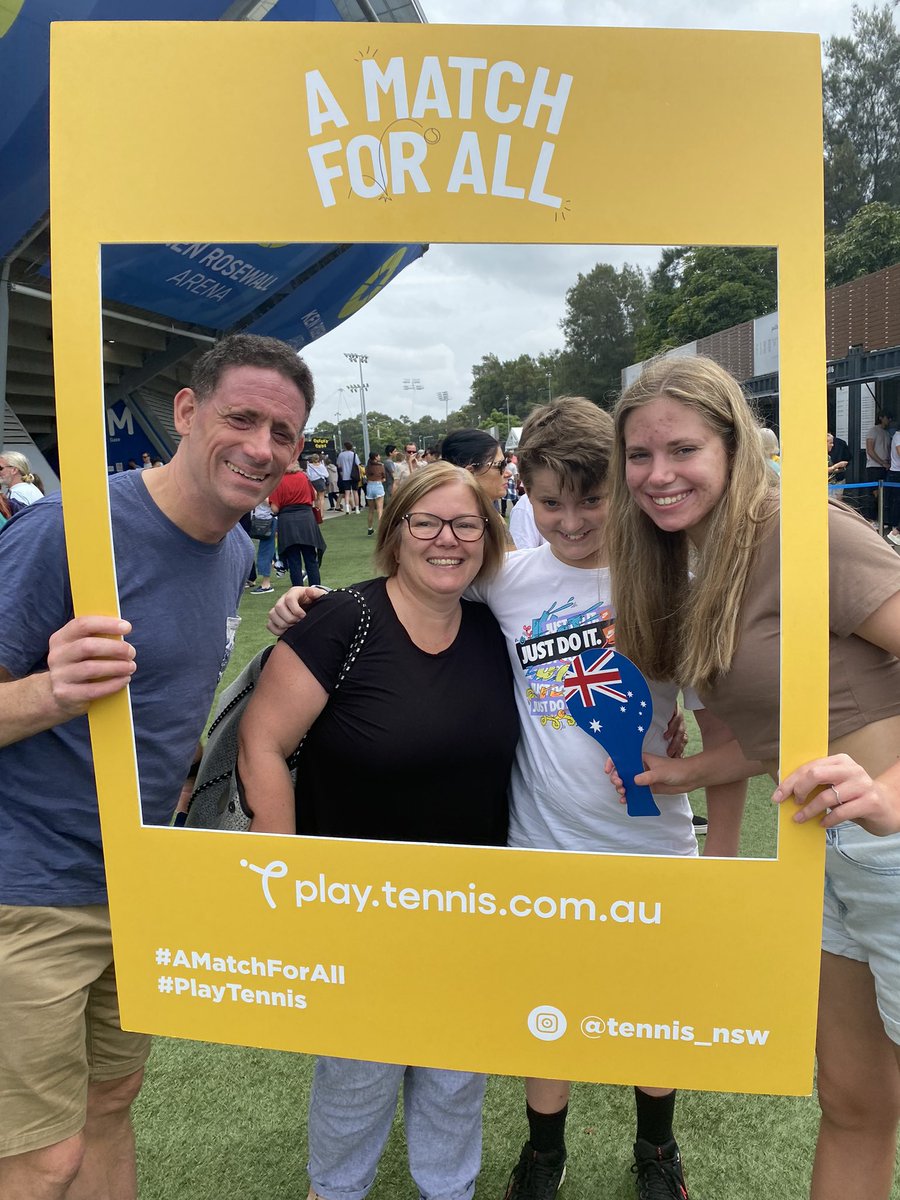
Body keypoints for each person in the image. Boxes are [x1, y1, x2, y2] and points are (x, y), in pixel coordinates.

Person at [270, 399, 742, 1200]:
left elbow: (731, 740)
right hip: (538, 848)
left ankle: (657, 1150)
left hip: (653, 847)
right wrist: (310, 604)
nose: (570, 521)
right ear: (522, 492)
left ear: (622, 494)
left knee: (653, 1013)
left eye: (592, 501)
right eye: (550, 501)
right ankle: (544, 1155)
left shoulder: (675, 583)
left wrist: (721, 853)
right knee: (544, 1014)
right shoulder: (508, 581)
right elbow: (420, 588)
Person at [0, 333, 313, 1200]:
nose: (261, 447)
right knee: (40, 1158)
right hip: (30, 889)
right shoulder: (73, 530)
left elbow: (171, 704)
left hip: (138, 882)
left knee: (113, 1100)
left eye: (282, 433)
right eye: (241, 418)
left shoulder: (239, 553)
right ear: (185, 411)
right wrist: (49, 693)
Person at [607, 354, 900, 1200]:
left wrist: (890, 796)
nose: (658, 475)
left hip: (891, 842)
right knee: (854, 1103)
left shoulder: (802, 532)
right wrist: (687, 770)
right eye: (639, 456)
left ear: (736, 448)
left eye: (683, 450)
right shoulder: (699, 558)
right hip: (827, 854)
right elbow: (794, 727)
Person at [240, 462, 518, 1200]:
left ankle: (448, 1190)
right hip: (354, 905)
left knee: (457, 1071)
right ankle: (334, 1192)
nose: (446, 540)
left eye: (465, 524)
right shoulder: (342, 620)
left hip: (472, 902)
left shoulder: (496, 630)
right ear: (393, 533)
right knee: (358, 1076)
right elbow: (260, 743)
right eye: (425, 522)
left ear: (488, 537)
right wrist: (283, 876)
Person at [269, 459, 324, 588]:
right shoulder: (304, 477)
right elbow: (313, 496)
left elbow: (275, 509)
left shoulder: (279, 481)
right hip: (306, 520)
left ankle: (298, 592)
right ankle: (316, 591)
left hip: (287, 522)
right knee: (311, 559)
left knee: (294, 561)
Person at [440, 429, 511, 509]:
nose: (508, 473)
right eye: (500, 465)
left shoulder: (489, 516)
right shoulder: (458, 519)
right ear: (469, 473)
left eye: (505, 463)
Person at [864, 411, 891, 525]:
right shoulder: (873, 431)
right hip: (874, 467)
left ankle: (880, 519)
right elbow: (870, 450)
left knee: (883, 494)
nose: (889, 420)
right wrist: (882, 462)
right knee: (875, 494)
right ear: (881, 417)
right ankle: (872, 519)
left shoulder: (887, 433)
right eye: (887, 417)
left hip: (885, 467)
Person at [364, 451, 386, 536]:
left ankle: (370, 529)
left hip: (369, 486)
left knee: (371, 510)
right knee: (380, 510)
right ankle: (381, 531)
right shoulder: (381, 466)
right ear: (376, 457)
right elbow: (384, 478)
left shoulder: (367, 467)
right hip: (378, 486)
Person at [337, 441, 360, 513]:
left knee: (347, 492)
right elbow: (358, 465)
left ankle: (347, 508)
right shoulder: (354, 455)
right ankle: (357, 508)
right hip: (354, 476)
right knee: (355, 492)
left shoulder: (341, 455)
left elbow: (339, 465)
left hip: (345, 476)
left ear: (345, 447)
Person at [306, 453, 329, 518]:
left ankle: (317, 513)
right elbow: (327, 475)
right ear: (318, 458)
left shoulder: (309, 466)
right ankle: (321, 513)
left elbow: (308, 475)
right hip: (320, 481)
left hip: (313, 482)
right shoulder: (321, 466)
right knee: (321, 498)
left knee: (315, 498)